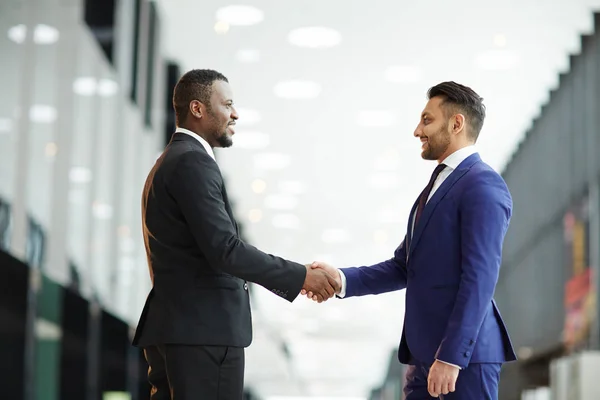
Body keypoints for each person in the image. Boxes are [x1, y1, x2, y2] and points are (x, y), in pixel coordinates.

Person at [132, 69, 340, 400]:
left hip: (184, 329)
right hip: (203, 334)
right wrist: (301, 276)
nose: (235, 113)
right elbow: (225, 249)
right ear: (198, 109)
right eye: (227, 104)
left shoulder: (170, 161)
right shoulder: (192, 162)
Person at [305, 82, 517, 399]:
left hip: (462, 361)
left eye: (427, 120)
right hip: (423, 357)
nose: (417, 131)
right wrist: (341, 279)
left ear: (456, 123)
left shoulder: (482, 184)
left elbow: (480, 277)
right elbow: (404, 267)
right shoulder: (437, 185)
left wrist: (451, 356)